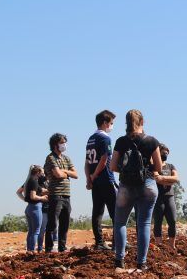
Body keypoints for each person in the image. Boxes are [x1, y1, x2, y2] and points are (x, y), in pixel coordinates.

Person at [110, 110, 162, 270]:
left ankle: (119, 260)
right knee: (144, 223)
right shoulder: (152, 141)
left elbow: (112, 166)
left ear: (126, 123)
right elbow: (159, 167)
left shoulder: (120, 141)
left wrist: (126, 171)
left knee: (119, 223)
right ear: (143, 122)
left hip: (126, 186)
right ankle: (142, 263)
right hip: (147, 185)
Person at [85, 110, 117, 250]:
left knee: (97, 212)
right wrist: (95, 175)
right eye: (111, 123)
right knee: (115, 212)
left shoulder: (90, 138)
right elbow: (104, 159)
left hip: (95, 181)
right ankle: (118, 242)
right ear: (104, 123)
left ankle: (99, 242)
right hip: (105, 178)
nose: (111, 126)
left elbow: (87, 162)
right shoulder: (105, 138)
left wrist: (89, 178)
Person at [44, 133, 78, 252]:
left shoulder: (66, 158)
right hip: (55, 195)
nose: (64, 145)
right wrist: (67, 172)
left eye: (65, 142)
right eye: (62, 142)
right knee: (53, 224)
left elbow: (76, 174)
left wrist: (64, 171)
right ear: (55, 144)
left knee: (65, 224)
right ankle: (48, 249)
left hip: (66, 196)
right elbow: (57, 175)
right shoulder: (50, 158)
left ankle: (62, 248)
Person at [16, 169, 51, 252]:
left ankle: (29, 250)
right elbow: (33, 196)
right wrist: (42, 198)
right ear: (38, 173)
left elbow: (42, 190)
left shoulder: (28, 182)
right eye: (42, 172)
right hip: (36, 207)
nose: (43, 174)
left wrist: (25, 199)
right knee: (36, 231)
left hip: (29, 207)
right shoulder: (34, 181)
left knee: (31, 231)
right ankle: (32, 250)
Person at [153, 143, 179, 250]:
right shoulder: (154, 165)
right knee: (158, 222)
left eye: (167, 152)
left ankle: (172, 246)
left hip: (169, 197)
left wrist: (163, 179)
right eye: (164, 152)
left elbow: (176, 179)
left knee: (172, 221)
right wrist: (169, 180)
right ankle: (158, 245)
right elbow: (155, 177)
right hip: (158, 197)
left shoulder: (171, 166)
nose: (166, 154)